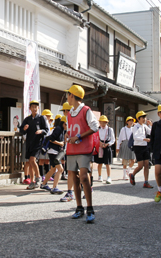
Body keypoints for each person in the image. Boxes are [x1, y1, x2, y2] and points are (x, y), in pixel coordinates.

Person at [65, 85, 99, 223]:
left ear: (72, 96)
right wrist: (68, 135)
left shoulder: (86, 110)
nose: (67, 97)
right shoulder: (69, 113)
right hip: (72, 149)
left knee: (84, 177)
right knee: (74, 178)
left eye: (68, 95)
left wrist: (79, 136)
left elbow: (95, 126)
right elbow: (69, 129)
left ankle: (90, 208)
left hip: (84, 148)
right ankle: (79, 207)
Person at [19, 100, 49, 190]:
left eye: (36, 107)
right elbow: (21, 130)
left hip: (38, 143)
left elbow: (46, 130)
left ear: (38, 108)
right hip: (29, 143)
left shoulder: (41, 118)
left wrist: (41, 131)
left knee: (32, 160)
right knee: (30, 162)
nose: (34, 108)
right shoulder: (27, 119)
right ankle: (32, 182)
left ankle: (38, 177)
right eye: (32, 107)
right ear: (30, 108)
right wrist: (24, 128)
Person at [40, 116, 68, 194]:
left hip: (55, 151)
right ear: (64, 124)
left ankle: (43, 184)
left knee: (53, 169)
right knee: (60, 169)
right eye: (67, 125)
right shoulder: (58, 129)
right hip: (53, 152)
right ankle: (54, 187)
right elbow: (51, 139)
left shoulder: (61, 129)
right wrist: (60, 143)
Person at [129, 111, 154, 188]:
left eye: (145, 117)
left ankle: (146, 182)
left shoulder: (145, 126)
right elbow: (135, 137)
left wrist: (151, 125)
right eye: (143, 117)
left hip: (145, 147)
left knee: (147, 164)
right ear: (138, 119)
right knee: (140, 165)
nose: (145, 119)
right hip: (138, 147)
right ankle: (132, 174)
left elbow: (152, 133)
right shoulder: (135, 127)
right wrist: (144, 139)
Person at [60, 102, 75, 202]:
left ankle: (87, 189)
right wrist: (67, 134)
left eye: (65, 111)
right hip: (70, 147)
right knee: (70, 171)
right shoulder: (67, 120)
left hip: (80, 147)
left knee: (81, 172)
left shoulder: (77, 117)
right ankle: (70, 192)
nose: (65, 113)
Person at [94, 115, 115, 184]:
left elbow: (113, 139)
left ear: (107, 122)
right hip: (100, 146)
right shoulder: (97, 129)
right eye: (101, 122)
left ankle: (109, 177)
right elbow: (95, 138)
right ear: (99, 122)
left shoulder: (110, 129)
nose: (103, 124)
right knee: (100, 162)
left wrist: (108, 144)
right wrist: (99, 143)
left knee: (107, 163)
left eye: (104, 122)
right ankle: (99, 176)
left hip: (107, 146)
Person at [39, 109, 54, 181]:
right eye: (48, 116)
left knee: (47, 160)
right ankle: (42, 175)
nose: (49, 117)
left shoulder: (48, 124)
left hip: (48, 143)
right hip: (42, 143)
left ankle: (48, 175)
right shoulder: (41, 123)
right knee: (41, 159)